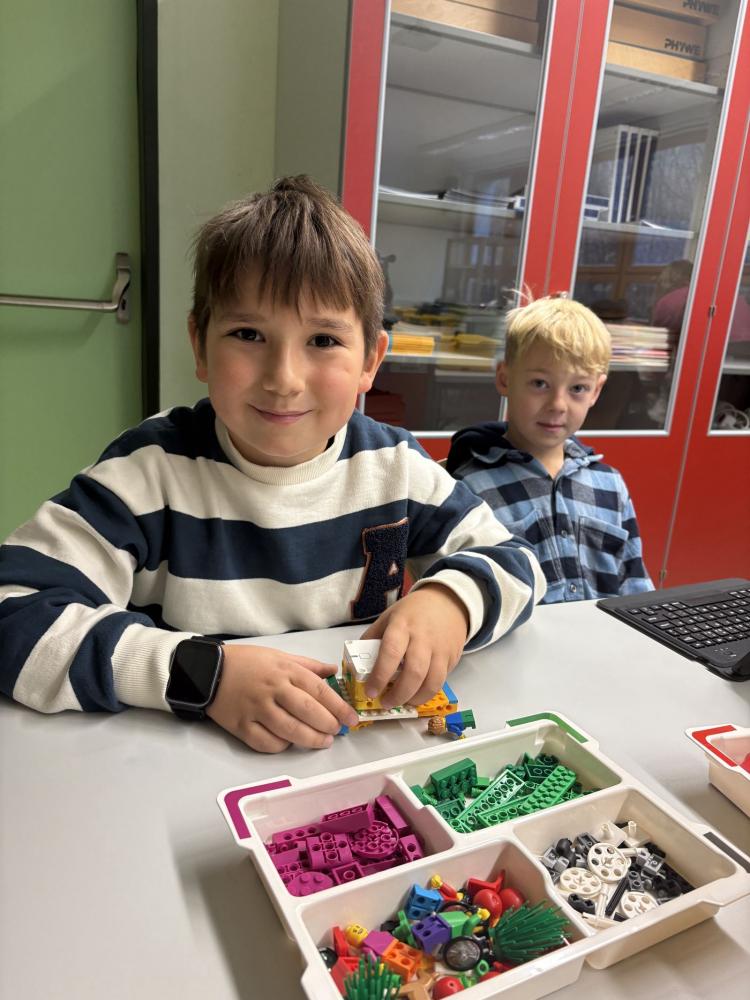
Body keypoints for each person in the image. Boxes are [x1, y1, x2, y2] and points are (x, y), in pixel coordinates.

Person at [0, 176, 546, 753]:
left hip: (355, 763)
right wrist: (206, 676)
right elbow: (13, 613)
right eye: (248, 334)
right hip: (185, 763)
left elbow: (518, 564)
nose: (283, 379)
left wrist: (451, 603)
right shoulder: (148, 475)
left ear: (371, 360)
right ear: (199, 345)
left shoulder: (394, 466)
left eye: (324, 341)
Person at [446, 296, 652, 603]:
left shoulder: (611, 485)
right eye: (540, 383)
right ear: (504, 379)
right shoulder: (470, 487)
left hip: (607, 633)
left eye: (577, 388)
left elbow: (635, 586)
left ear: (596, 391)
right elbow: (460, 596)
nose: (558, 405)